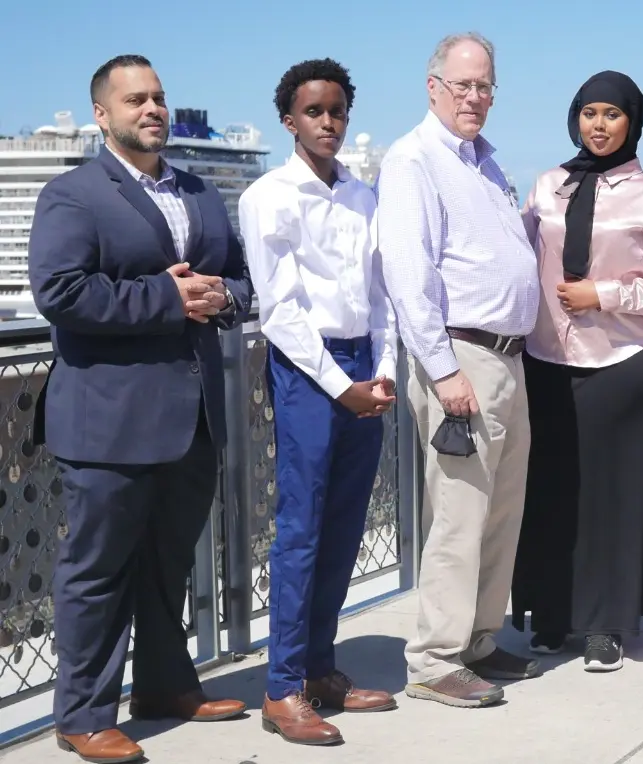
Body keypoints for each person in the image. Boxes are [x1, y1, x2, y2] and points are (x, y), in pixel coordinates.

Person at [27, 54, 251, 764]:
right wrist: (168, 297)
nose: (150, 109)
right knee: (96, 574)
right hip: (108, 420)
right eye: (134, 100)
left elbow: (242, 278)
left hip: (192, 417)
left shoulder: (200, 191)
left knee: (168, 563)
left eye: (157, 97)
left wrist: (224, 298)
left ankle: (164, 686)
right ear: (103, 115)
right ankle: (84, 714)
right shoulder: (73, 194)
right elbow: (59, 292)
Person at [378, 32, 542, 707]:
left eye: (484, 86)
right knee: (457, 513)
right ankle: (435, 658)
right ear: (433, 87)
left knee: (498, 512)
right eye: (462, 85)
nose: (474, 97)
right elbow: (408, 273)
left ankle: (477, 638)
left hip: (508, 357)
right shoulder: (413, 160)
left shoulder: (484, 162)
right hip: (462, 357)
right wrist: (443, 372)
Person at [237, 58, 399, 744]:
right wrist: (342, 385)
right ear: (289, 121)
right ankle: (282, 689)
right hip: (310, 371)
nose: (327, 122)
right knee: (300, 529)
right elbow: (279, 311)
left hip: (366, 364)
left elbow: (383, 294)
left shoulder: (364, 196)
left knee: (344, 524)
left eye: (336, 110)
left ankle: (321, 669)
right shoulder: (268, 196)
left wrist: (384, 372)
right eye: (313, 112)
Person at [510, 70, 643, 672]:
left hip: (620, 363)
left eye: (611, 114)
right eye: (589, 113)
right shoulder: (546, 187)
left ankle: (607, 625)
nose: (599, 124)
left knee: (611, 499)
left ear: (632, 122)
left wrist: (606, 295)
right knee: (552, 491)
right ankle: (552, 615)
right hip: (545, 360)